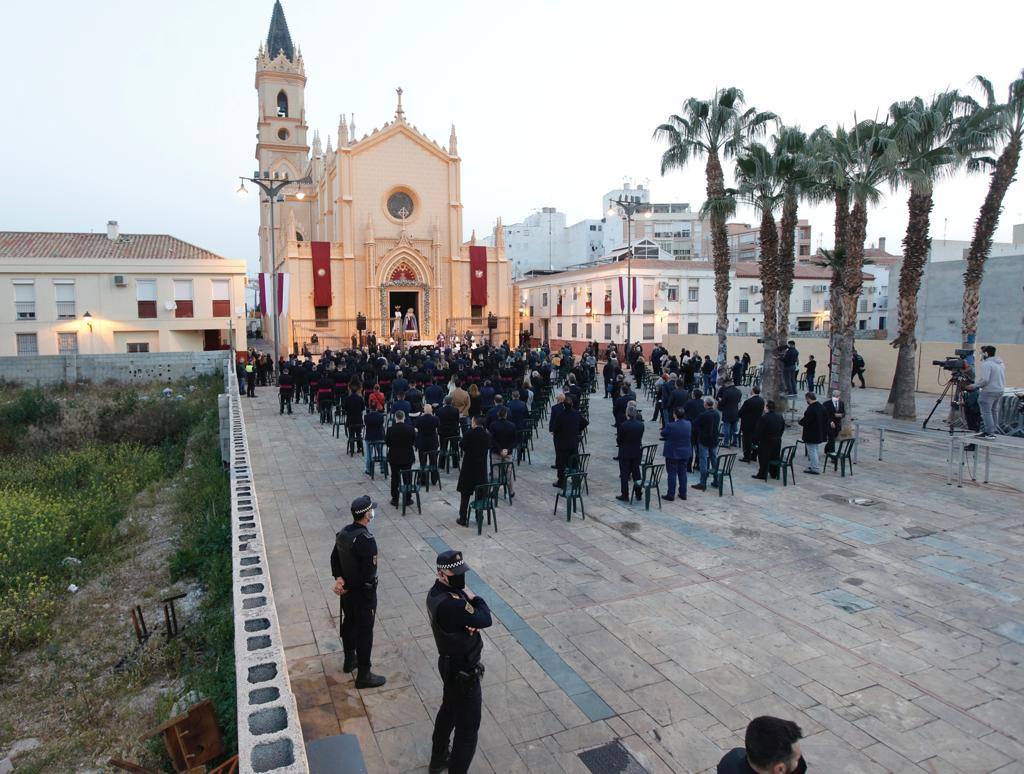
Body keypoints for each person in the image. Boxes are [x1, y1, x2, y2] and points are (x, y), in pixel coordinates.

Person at [426, 550, 493, 774]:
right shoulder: (453, 604)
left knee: (448, 712)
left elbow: (468, 617)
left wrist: (467, 612)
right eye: (455, 573)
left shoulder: (436, 594)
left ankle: (437, 759)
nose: (460, 578)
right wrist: (474, 598)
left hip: (449, 664)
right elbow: (485, 618)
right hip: (464, 672)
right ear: (441, 574)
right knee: (467, 732)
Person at [330, 495, 386, 688]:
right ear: (366, 515)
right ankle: (364, 673)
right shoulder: (366, 540)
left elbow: (334, 558)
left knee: (349, 623)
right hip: (363, 595)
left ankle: (349, 660)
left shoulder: (344, 533)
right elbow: (368, 573)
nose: (372, 513)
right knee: (364, 632)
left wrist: (339, 580)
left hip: (347, 593)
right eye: (371, 510)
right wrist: (347, 584)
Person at [717, 716, 805, 774]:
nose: (799, 761)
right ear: (780, 769)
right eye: (796, 759)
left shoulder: (730, 761)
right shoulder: (797, 769)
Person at [964, 345, 1006, 439]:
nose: (981, 355)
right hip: (999, 390)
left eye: (982, 353)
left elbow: (985, 380)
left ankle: (989, 433)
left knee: (986, 412)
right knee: (994, 411)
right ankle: (992, 432)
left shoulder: (987, 364)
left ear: (986, 353)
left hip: (989, 391)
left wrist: (973, 386)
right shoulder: (1000, 363)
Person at [456, 416, 490, 526]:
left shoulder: (469, 433)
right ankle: (479, 516)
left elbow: (462, 445)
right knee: (480, 495)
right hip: (481, 469)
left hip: (469, 468)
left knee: (465, 495)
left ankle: (463, 518)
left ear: (474, 423)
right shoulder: (487, 435)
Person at [550, 395, 587, 488]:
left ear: (563, 405)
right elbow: (585, 422)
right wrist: (577, 429)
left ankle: (561, 481)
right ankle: (576, 480)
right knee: (574, 462)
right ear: (572, 405)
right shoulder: (576, 413)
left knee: (561, 463)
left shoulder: (560, 415)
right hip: (573, 442)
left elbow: (555, 429)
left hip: (562, 443)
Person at [385, 410, 416, 507]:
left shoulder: (390, 430)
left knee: (395, 478)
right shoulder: (410, 429)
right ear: (404, 417)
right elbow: (413, 441)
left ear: (395, 417)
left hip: (394, 457)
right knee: (407, 477)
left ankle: (395, 498)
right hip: (407, 456)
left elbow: (388, 443)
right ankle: (407, 498)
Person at [660, 407, 692, 501]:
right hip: (685, 452)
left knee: (672, 473)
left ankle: (671, 494)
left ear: (675, 415)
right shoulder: (688, 424)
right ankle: (683, 493)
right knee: (682, 473)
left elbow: (663, 433)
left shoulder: (671, 425)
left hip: (673, 452)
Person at [616, 405, 644, 502]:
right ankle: (638, 493)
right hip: (636, 452)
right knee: (637, 473)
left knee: (624, 474)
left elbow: (619, 440)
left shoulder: (624, 425)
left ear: (627, 414)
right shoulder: (641, 425)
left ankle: (625, 494)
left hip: (625, 452)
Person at [692, 397, 721, 492]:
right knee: (714, 459)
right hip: (714, 439)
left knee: (703, 461)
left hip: (704, 440)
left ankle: (702, 482)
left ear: (706, 404)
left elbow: (695, 424)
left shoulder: (704, 415)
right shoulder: (717, 413)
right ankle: (716, 480)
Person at [753, 401, 785, 480]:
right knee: (775, 456)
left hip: (766, 441)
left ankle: (762, 474)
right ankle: (774, 473)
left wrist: (755, 440)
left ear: (767, 408)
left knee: (764, 458)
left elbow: (759, 431)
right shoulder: (780, 416)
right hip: (777, 441)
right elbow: (782, 428)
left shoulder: (764, 418)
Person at [798, 392, 828, 474]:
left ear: (808, 398)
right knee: (815, 450)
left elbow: (806, 421)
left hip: (811, 434)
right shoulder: (821, 407)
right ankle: (812, 465)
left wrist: (800, 422)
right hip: (819, 433)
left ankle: (815, 467)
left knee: (812, 451)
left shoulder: (811, 409)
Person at [738, 386, 765, 462]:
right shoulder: (761, 401)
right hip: (757, 424)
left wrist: (739, 414)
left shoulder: (748, 401)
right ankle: (754, 455)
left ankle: (747, 456)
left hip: (747, 424)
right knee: (755, 441)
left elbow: (741, 412)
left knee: (747, 441)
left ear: (753, 391)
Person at [415, 404, 441, 483]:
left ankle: (423, 480)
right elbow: (438, 425)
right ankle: (434, 479)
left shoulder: (419, 419)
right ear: (431, 411)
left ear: (423, 410)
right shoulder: (435, 418)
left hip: (422, 443)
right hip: (433, 443)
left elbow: (416, 426)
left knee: (423, 462)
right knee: (433, 462)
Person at [717, 378, 742, 447]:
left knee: (726, 429)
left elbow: (723, 402)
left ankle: (726, 442)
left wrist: (719, 401)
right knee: (735, 429)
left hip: (727, 412)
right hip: (735, 411)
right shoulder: (738, 391)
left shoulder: (727, 392)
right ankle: (735, 442)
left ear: (727, 383)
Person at [364, 403, 385, 476]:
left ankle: (369, 469)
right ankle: (382, 468)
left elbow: (366, 424)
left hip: (370, 437)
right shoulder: (381, 416)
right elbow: (382, 423)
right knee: (381, 453)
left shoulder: (366, 417)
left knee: (369, 454)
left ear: (370, 408)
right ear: (376, 408)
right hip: (379, 436)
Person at [823, 389, 845, 454]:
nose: (838, 397)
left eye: (838, 396)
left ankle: (827, 449)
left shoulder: (841, 403)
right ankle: (833, 455)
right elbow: (825, 415)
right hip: (829, 424)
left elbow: (843, 413)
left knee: (833, 438)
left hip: (837, 424)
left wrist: (841, 415)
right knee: (832, 438)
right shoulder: (826, 404)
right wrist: (830, 422)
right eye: (836, 396)